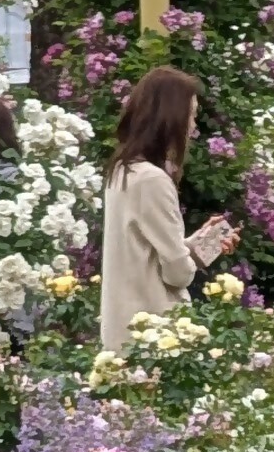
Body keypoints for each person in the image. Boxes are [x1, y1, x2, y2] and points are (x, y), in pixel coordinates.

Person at [99, 65, 232, 355]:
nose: (193, 126)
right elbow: (177, 274)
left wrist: (200, 243)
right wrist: (193, 253)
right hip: (154, 337)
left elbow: (147, 252)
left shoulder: (122, 170)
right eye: (191, 115)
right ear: (171, 118)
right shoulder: (153, 180)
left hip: (124, 330)